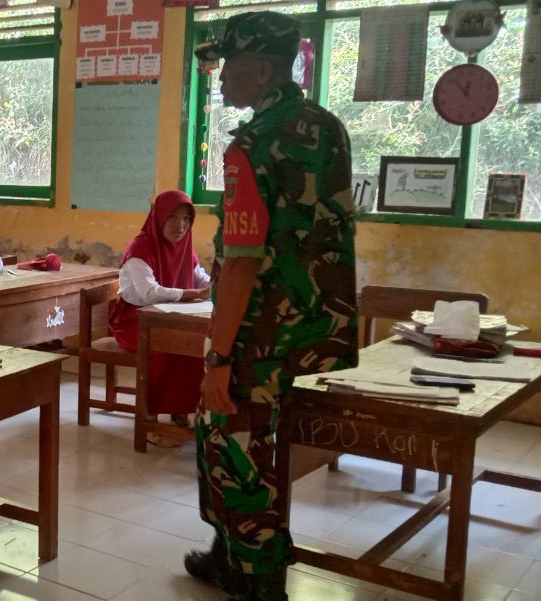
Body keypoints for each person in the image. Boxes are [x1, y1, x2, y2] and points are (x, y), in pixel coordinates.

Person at [187, 12, 358, 601]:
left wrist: (218, 358)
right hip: (318, 327)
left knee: (232, 444)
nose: (220, 78)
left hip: (258, 334)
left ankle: (257, 579)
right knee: (253, 444)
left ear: (261, 70)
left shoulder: (252, 144)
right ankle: (229, 554)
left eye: (228, 66)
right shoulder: (327, 127)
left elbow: (241, 263)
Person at [108, 191, 211, 430]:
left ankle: (180, 410)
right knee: (167, 348)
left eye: (186, 219)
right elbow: (148, 293)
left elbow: (201, 279)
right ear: (159, 217)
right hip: (135, 322)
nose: (180, 225)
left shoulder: (186, 248)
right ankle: (150, 415)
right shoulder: (141, 248)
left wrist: (218, 283)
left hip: (170, 321)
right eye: (172, 216)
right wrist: (192, 294)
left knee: (194, 345)